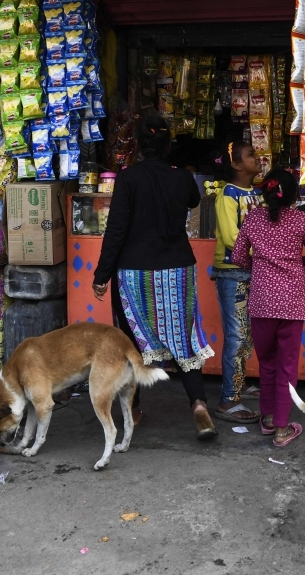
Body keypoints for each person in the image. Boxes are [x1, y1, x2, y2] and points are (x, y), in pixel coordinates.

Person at [93, 112, 218, 440]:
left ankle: (133, 410)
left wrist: (101, 274)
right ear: (168, 145)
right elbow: (194, 200)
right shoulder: (181, 178)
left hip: (134, 274)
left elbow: (116, 231)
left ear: (139, 144)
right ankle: (199, 404)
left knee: (133, 345)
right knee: (185, 339)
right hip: (177, 270)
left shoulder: (128, 178)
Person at [232, 168, 305, 447]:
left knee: (267, 365)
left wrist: (259, 268)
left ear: (265, 191)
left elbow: (238, 256)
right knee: (287, 366)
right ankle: (282, 429)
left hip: (261, 302)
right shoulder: (301, 221)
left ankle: (269, 417)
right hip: (292, 304)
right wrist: (299, 265)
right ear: (294, 195)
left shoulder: (252, 219)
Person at [211, 141, 262, 424]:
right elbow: (232, 239)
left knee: (247, 334)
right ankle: (228, 400)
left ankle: (239, 385)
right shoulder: (227, 195)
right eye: (251, 155)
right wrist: (264, 250)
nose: (258, 158)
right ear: (236, 165)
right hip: (232, 271)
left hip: (252, 270)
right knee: (237, 335)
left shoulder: (256, 193)